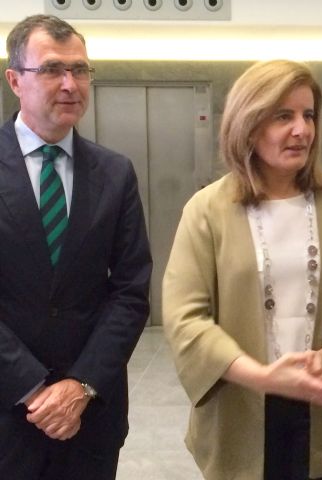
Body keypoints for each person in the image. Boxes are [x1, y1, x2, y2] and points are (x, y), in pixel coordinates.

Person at [162, 59, 322, 480]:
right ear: (248, 126)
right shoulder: (207, 211)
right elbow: (185, 319)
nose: (301, 130)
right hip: (240, 412)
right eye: (283, 116)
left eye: (308, 115)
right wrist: (262, 377)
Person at [0, 15, 152, 480]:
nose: (70, 84)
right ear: (14, 81)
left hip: (91, 416)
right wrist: (33, 388)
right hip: (7, 413)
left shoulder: (115, 173)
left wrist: (80, 386)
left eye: (80, 70)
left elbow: (131, 291)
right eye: (51, 69)